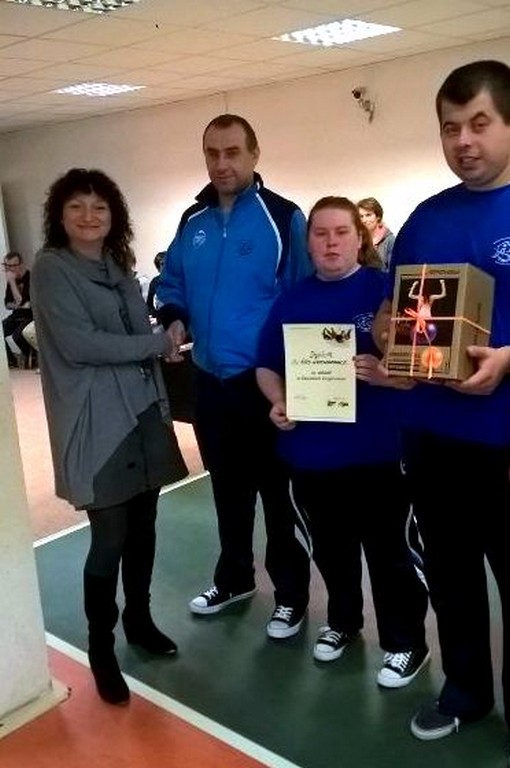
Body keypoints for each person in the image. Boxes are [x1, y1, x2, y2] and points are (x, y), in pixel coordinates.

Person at [372, 60, 510, 759]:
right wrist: (387, 338)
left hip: (504, 437)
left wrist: (509, 358)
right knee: (452, 578)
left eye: (479, 124)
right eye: (451, 128)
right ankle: (465, 691)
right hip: (432, 436)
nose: (464, 141)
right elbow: (393, 314)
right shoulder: (424, 219)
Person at [31, 168, 189, 706]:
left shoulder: (118, 266)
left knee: (144, 528)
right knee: (110, 538)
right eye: (77, 206)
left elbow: (137, 330)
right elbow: (82, 345)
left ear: (113, 215)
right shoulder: (51, 268)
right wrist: (155, 344)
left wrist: (166, 334)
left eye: (99, 206)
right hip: (97, 422)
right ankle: (101, 648)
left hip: (142, 411)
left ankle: (139, 621)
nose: (89, 216)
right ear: (59, 215)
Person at [256, 195, 429, 684]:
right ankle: (343, 623)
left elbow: (421, 368)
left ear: (361, 239)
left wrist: (384, 373)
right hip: (312, 454)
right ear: (308, 242)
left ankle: (406, 642)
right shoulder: (291, 300)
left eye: (341, 233)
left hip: (379, 453)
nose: (331, 243)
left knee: (389, 553)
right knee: (331, 550)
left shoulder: (386, 293)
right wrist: (278, 400)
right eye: (320, 234)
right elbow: (267, 365)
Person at [156, 113, 312, 639]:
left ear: (254, 154)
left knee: (278, 494)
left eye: (232, 152)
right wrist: (174, 316)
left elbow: (303, 296)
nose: (221, 164)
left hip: (263, 382)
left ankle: (290, 595)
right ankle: (235, 578)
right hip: (209, 380)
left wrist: (294, 383)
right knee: (227, 488)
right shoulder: (193, 220)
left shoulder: (283, 217)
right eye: (212, 153)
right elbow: (172, 280)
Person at [2, 250, 34, 367]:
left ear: (20, 264)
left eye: (13, 266)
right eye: (7, 266)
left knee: (18, 336)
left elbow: (24, 303)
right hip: (16, 315)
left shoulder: (30, 278)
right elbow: (7, 304)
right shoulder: (12, 280)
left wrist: (12, 282)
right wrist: (19, 305)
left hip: (30, 316)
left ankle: (31, 357)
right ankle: (11, 361)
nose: (9, 269)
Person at [357, 197, 395, 270]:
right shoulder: (358, 241)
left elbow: (393, 271)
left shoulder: (390, 240)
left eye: (368, 215)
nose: (364, 220)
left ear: (378, 217)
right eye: (361, 216)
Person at [146, 251, 166, 322]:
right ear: (158, 267)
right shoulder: (155, 282)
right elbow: (149, 305)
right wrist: (156, 316)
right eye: (162, 264)